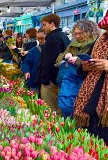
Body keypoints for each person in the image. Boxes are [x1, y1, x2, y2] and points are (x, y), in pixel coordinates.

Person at [73, 11, 108, 144]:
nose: (106, 32)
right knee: (92, 141)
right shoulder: (100, 41)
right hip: (91, 101)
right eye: (105, 29)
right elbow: (82, 66)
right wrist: (84, 67)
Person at [55, 20, 100, 117]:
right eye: (75, 34)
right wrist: (65, 56)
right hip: (66, 82)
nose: (78, 36)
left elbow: (95, 63)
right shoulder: (72, 44)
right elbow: (58, 60)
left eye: (80, 33)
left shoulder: (95, 45)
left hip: (83, 84)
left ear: (90, 32)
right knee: (64, 110)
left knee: (78, 113)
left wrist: (78, 61)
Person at [36, 14, 70, 113]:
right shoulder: (62, 36)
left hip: (51, 80)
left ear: (52, 24)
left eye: (44, 24)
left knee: (50, 109)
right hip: (59, 78)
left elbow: (49, 62)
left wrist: (45, 79)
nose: (43, 27)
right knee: (57, 108)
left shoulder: (53, 38)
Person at [21, 29, 46, 97]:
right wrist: (26, 71)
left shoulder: (52, 49)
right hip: (34, 80)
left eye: (42, 38)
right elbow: (26, 62)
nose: (40, 40)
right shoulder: (34, 50)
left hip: (47, 81)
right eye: (38, 39)